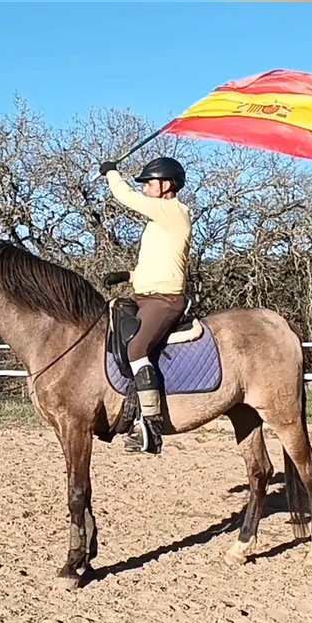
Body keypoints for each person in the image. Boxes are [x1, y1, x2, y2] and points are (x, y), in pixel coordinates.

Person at [97, 156, 192, 454]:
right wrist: (127, 275)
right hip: (145, 295)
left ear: (167, 186)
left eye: (150, 183)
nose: (147, 188)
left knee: (137, 348)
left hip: (165, 300)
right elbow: (157, 266)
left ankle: (150, 426)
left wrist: (111, 173)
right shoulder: (158, 223)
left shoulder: (173, 211)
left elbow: (125, 196)